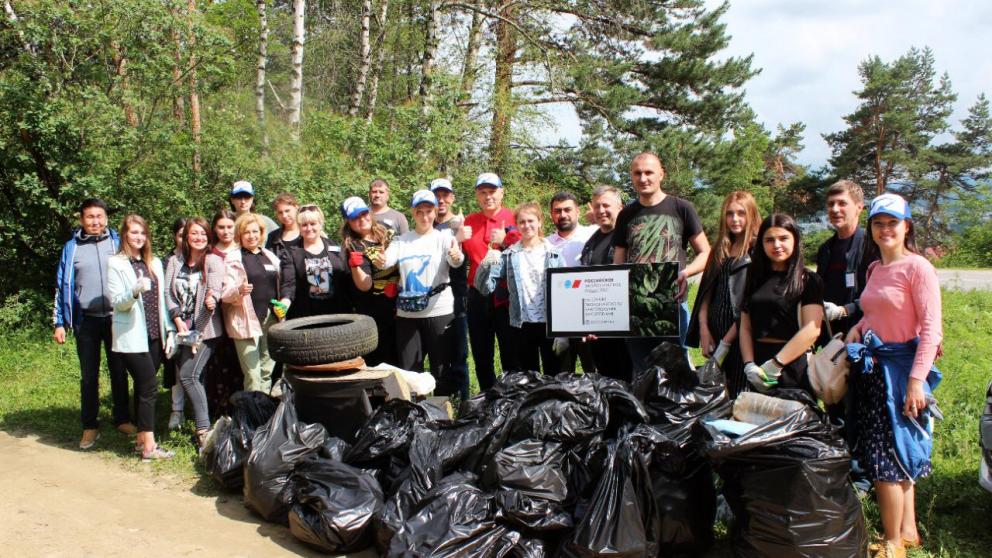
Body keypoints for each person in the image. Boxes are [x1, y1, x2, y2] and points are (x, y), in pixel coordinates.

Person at [845, 194, 942, 558]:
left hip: (902, 373)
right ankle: (907, 531)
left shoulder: (918, 268)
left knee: (887, 459)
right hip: (875, 370)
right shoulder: (874, 269)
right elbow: (876, 311)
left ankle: (892, 544)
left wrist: (917, 380)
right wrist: (859, 327)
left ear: (906, 226)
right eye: (879, 223)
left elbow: (932, 329)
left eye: (892, 223)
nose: (886, 229)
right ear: (870, 228)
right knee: (896, 452)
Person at [612, 152, 710, 372]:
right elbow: (619, 262)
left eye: (649, 172)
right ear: (632, 176)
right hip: (636, 307)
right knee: (642, 369)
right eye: (637, 173)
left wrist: (685, 273)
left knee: (677, 370)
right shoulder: (626, 214)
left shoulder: (682, 208)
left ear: (661, 175)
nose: (643, 178)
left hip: (674, 304)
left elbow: (706, 253)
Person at [53, 198, 134, 450]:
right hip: (85, 321)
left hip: (116, 318)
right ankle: (90, 426)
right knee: (89, 376)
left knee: (119, 371)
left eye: (99, 216)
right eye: (90, 217)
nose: (95, 221)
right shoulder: (71, 248)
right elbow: (61, 285)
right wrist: (59, 322)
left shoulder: (118, 243)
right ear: (82, 220)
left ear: (106, 219)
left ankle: (122, 419)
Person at [106, 214, 175, 461]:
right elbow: (116, 302)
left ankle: (139, 441)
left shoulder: (154, 262)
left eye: (142, 233)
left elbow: (163, 302)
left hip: (155, 334)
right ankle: (149, 446)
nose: (138, 237)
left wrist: (169, 331)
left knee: (143, 388)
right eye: (134, 232)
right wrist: (134, 291)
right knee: (148, 388)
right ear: (124, 234)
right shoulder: (116, 263)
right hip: (131, 337)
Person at [376, 189, 465, 377]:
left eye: (429, 211)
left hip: (439, 310)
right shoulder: (401, 241)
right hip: (407, 314)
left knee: (441, 369)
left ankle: (442, 405)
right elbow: (387, 260)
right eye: (420, 211)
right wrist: (380, 260)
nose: (425, 216)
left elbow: (456, 260)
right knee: (409, 371)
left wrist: (456, 256)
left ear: (435, 212)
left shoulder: (445, 238)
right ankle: (414, 406)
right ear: (412, 212)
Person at [739, 214, 824, 394]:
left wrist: (776, 364)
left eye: (783, 238)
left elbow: (812, 330)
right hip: (757, 365)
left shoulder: (808, 280)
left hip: (792, 366)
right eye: (769, 240)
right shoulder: (753, 277)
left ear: (795, 239)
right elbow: (745, 326)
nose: (776, 245)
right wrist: (749, 365)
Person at [686, 191, 760, 398]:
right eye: (729, 214)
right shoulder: (720, 247)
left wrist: (726, 343)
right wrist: (703, 328)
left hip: (742, 334)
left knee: (740, 393)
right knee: (718, 393)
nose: (735, 219)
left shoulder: (757, 250)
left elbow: (751, 303)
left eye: (741, 213)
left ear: (751, 215)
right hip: (715, 331)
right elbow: (706, 293)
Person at [476, 202, 563, 375]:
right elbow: (485, 288)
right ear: (517, 225)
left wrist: (563, 332)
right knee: (529, 378)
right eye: (522, 222)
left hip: (550, 325)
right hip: (522, 325)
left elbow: (565, 293)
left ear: (539, 222)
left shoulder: (554, 253)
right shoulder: (509, 255)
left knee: (554, 376)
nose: (527, 226)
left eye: (531, 221)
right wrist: (485, 265)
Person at [165, 217, 225, 449]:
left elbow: (214, 291)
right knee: (190, 376)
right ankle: (202, 426)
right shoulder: (175, 261)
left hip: (206, 331)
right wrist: (179, 321)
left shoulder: (213, 261)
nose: (199, 237)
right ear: (186, 236)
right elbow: (168, 294)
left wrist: (196, 332)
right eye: (194, 233)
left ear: (208, 236)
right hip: (182, 328)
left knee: (188, 375)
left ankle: (203, 431)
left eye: (203, 233)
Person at [462, 172, 522, 390]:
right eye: (483, 192)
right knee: (481, 353)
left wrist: (506, 241)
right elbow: (456, 258)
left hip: (506, 294)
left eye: (492, 192)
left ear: (502, 192)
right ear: (477, 196)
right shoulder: (469, 221)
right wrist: (456, 239)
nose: (488, 197)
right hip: (477, 294)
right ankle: (488, 400)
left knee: (510, 351)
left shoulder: (515, 217)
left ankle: (513, 399)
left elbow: (528, 251)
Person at [222, 213, 290, 393]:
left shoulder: (269, 256)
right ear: (240, 235)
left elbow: (280, 285)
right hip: (245, 321)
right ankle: (252, 418)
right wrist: (239, 291)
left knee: (267, 372)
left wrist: (283, 304)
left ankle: (264, 415)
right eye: (246, 232)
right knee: (252, 374)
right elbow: (225, 294)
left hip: (271, 319)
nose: (251, 236)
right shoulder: (233, 258)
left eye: (255, 231)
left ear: (261, 233)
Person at [579, 185, 633, 381]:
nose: (601, 211)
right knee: (607, 382)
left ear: (621, 207)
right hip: (598, 332)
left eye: (606, 205)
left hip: (627, 329)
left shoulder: (631, 236)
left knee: (631, 380)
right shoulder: (589, 243)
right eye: (596, 206)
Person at [340, 196, 400, 367]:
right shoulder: (352, 246)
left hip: (401, 308)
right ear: (348, 222)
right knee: (381, 362)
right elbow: (365, 285)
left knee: (403, 359)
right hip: (374, 315)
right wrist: (354, 266)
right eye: (355, 218)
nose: (362, 219)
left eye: (363, 214)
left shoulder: (388, 232)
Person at [546, 191, 598, 372]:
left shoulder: (593, 234)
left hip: (590, 315)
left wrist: (597, 219)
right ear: (551, 214)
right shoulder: (545, 244)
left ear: (577, 210)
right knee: (561, 374)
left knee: (593, 372)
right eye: (557, 211)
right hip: (560, 319)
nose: (563, 215)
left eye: (567, 209)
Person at [816, 179, 873, 337]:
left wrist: (846, 310)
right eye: (830, 204)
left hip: (862, 334)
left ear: (859, 207)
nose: (835, 209)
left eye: (842, 203)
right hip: (830, 338)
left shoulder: (871, 247)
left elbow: (879, 294)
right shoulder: (825, 249)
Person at [430, 178, 471, 399]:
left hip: (457, 294)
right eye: (437, 195)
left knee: (459, 353)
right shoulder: (426, 225)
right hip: (432, 299)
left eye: (445, 195)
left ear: (452, 197)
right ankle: (441, 401)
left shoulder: (460, 224)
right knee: (438, 353)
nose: (441, 200)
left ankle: (464, 403)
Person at [203, 209, 243, 417]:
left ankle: (242, 412)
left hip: (240, 316)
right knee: (218, 365)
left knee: (240, 364)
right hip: (215, 317)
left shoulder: (245, 247)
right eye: (221, 227)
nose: (226, 231)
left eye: (230, 226)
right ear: (214, 228)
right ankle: (218, 413)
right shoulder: (209, 252)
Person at [282, 205, 352, 319]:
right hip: (305, 317)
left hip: (338, 314)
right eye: (304, 225)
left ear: (320, 224)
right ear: (299, 227)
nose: (309, 228)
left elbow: (347, 279)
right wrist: (285, 302)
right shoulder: (291, 253)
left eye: (313, 223)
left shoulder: (336, 249)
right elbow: (289, 284)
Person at [163, 218, 188, 430]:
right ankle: (176, 410)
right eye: (181, 235)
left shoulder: (202, 259)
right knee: (178, 368)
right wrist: (172, 325)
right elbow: (164, 295)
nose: (185, 239)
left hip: (199, 322)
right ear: (175, 236)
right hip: (175, 322)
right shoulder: (168, 261)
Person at [266, 192, 302, 256]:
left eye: (287, 211)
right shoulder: (273, 237)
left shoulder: (308, 232)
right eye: (280, 212)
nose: (284, 215)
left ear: (296, 207)